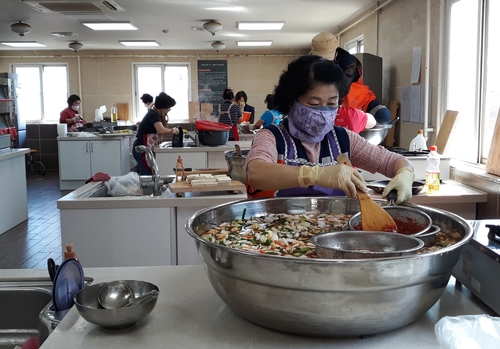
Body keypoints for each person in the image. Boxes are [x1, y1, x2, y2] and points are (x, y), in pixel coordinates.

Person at [245, 55, 415, 205]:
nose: (323, 112)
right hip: (276, 235)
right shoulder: (271, 137)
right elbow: (256, 172)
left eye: (332, 104)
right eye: (314, 104)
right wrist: (316, 175)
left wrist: (405, 174)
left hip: (335, 235)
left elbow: (392, 161)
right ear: (291, 102)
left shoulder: (344, 139)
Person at [310, 32, 391, 124]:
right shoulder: (309, 64)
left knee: (384, 115)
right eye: (321, 58)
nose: (324, 62)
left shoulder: (348, 62)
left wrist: (341, 112)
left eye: (327, 58)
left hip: (359, 100)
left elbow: (341, 87)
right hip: (327, 103)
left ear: (336, 53)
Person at [132, 92, 179, 175]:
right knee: (147, 177)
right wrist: (173, 130)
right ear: (163, 107)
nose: (169, 110)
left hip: (145, 149)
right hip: (142, 151)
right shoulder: (153, 115)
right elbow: (161, 130)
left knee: (150, 176)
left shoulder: (154, 113)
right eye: (168, 108)